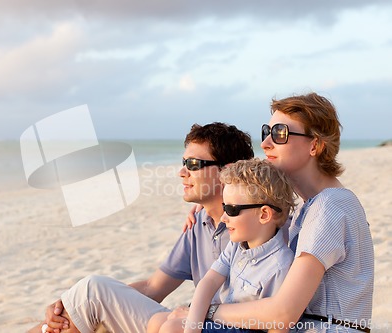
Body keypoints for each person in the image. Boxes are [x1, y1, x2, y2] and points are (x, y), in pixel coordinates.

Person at [28, 122, 255, 333]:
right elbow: (152, 288)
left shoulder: (254, 223)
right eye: (183, 163)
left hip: (213, 326)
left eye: (194, 164)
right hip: (189, 322)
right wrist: (70, 303)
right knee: (86, 297)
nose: (182, 172)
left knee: (92, 291)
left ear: (228, 171)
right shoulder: (199, 224)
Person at [182, 93, 374, 332]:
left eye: (280, 133)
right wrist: (211, 206)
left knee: (174, 325)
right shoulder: (310, 205)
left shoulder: (329, 207)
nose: (265, 144)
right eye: (266, 132)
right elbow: (256, 207)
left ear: (314, 145)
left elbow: (283, 313)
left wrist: (205, 310)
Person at [147, 158, 296, 333]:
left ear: (264, 215)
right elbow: (208, 282)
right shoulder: (236, 247)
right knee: (157, 321)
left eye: (232, 210)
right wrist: (192, 326)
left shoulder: (280, 265)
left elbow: (277, 324)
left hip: (247, 328)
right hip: (223, 321)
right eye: (224, 207)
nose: (224, 219)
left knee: (172, 327)